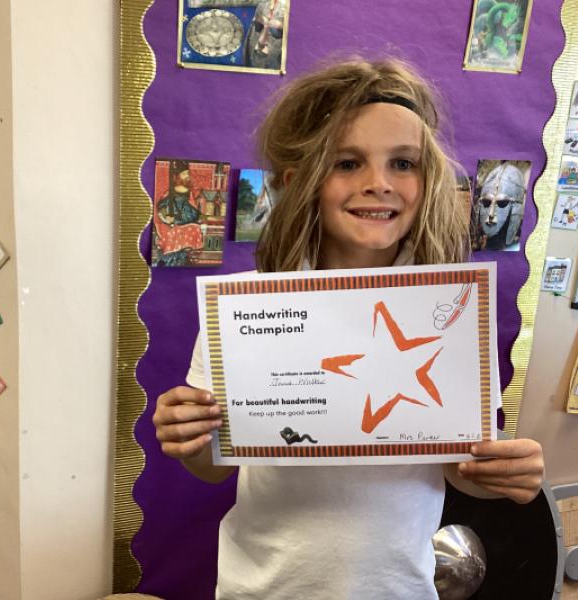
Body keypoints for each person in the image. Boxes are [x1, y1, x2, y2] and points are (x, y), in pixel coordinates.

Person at [152, 58, 545, 599]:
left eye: (403, 163)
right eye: (347, 162)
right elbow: (214, 467)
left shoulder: (449, 313)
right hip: (265, 589)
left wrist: (505, 473)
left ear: (428, 181)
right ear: (302, 181)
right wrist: (189, 437)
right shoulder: (248, 309)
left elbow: (460, 467)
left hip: (398, 589)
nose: (378, 184)